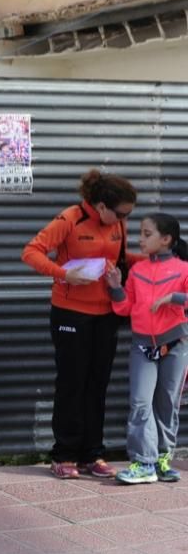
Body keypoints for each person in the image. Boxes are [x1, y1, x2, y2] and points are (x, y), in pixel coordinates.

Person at [22, 168, 138, 480]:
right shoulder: (70, 218)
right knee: (72, 382)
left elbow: (123, 259)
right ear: (101, 206)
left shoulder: (119, 224)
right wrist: (63, 274)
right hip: (70, 313)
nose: (125, 218)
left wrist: (163, 259)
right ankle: (64, 454)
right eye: (121, 213)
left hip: (107, 314)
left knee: (97, 383)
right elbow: (31, 252)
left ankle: (93, 454)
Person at [105, 213, 188, 485]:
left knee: (167, 403)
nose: (140, 239)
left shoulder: (183, 269)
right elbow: (126, 308)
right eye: (140, 233)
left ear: (166, 240)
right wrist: (116, 287)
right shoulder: (138, 271)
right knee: (141, 402)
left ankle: (163, 458)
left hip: (175, 344)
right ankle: (143, 462)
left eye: (147, 234)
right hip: (142, 345)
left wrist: (172, 298)